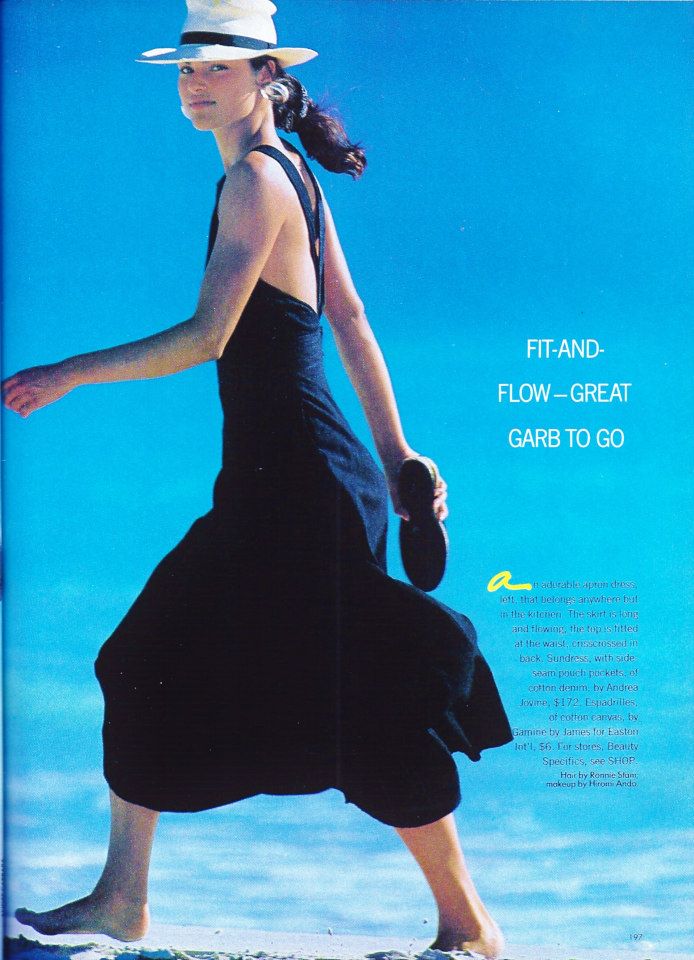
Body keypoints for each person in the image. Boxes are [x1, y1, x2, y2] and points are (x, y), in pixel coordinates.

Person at [3, 2, 513, 956]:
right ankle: (122, 899)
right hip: (290, 478)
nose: (195, 83)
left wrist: (67, 373)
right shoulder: (291, 175)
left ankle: (470, 926)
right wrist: (397, 458)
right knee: (167, 661)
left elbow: (209, 336)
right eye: (186, 68)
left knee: (332, 690)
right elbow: (349, 320)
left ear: (265, 75)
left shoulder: (256, 181)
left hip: (298, 488)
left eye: (218, 67)